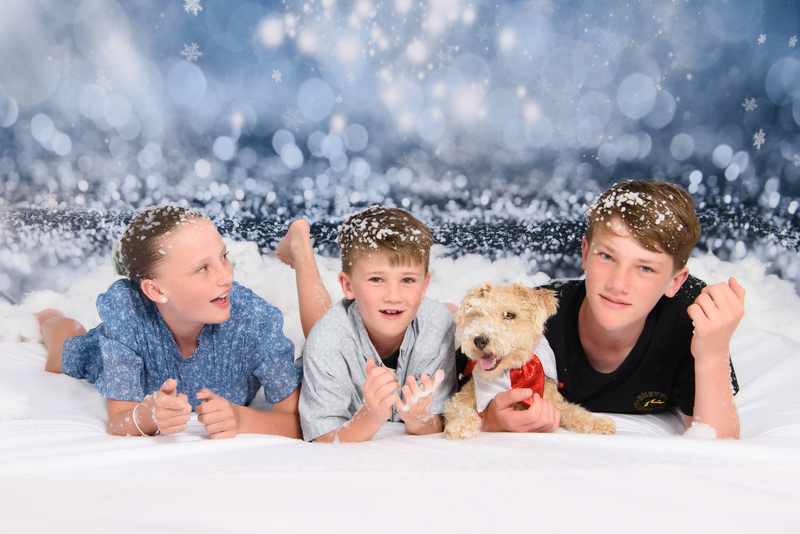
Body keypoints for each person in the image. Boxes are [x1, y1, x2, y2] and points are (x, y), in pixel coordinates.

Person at [470, 180, 745, 439]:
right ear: (586, 253)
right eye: (607, 256)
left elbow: (716, 442)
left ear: (675, 282)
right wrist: (490, 419)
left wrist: (713, 353)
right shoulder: (535, 316)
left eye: (645, 268)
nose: (618, 284)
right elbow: (470, 377)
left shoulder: (690, 317)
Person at [37, 205, 302, 439]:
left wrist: (242, 420)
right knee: (63, 354)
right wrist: (146, 416)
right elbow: (118, 422)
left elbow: (302, 422)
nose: (227, 277)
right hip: (125, 344)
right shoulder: (129, 318)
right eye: (202, 268)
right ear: (155, 290)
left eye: (223, 256)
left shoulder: (253, 321)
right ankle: (49, 316)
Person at [276, 206, 456, 443]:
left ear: (424, 285)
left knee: (447, 314)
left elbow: (442, 419)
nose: (393, 296)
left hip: (372, 324)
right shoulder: (326, 342)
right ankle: (301, 248)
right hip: (334, 340)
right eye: (376, 279)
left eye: (407, 280)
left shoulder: (438, 327)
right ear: (347, 285)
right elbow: (323, 438)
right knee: (320, 331)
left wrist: (420, 419)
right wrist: (370, 415)